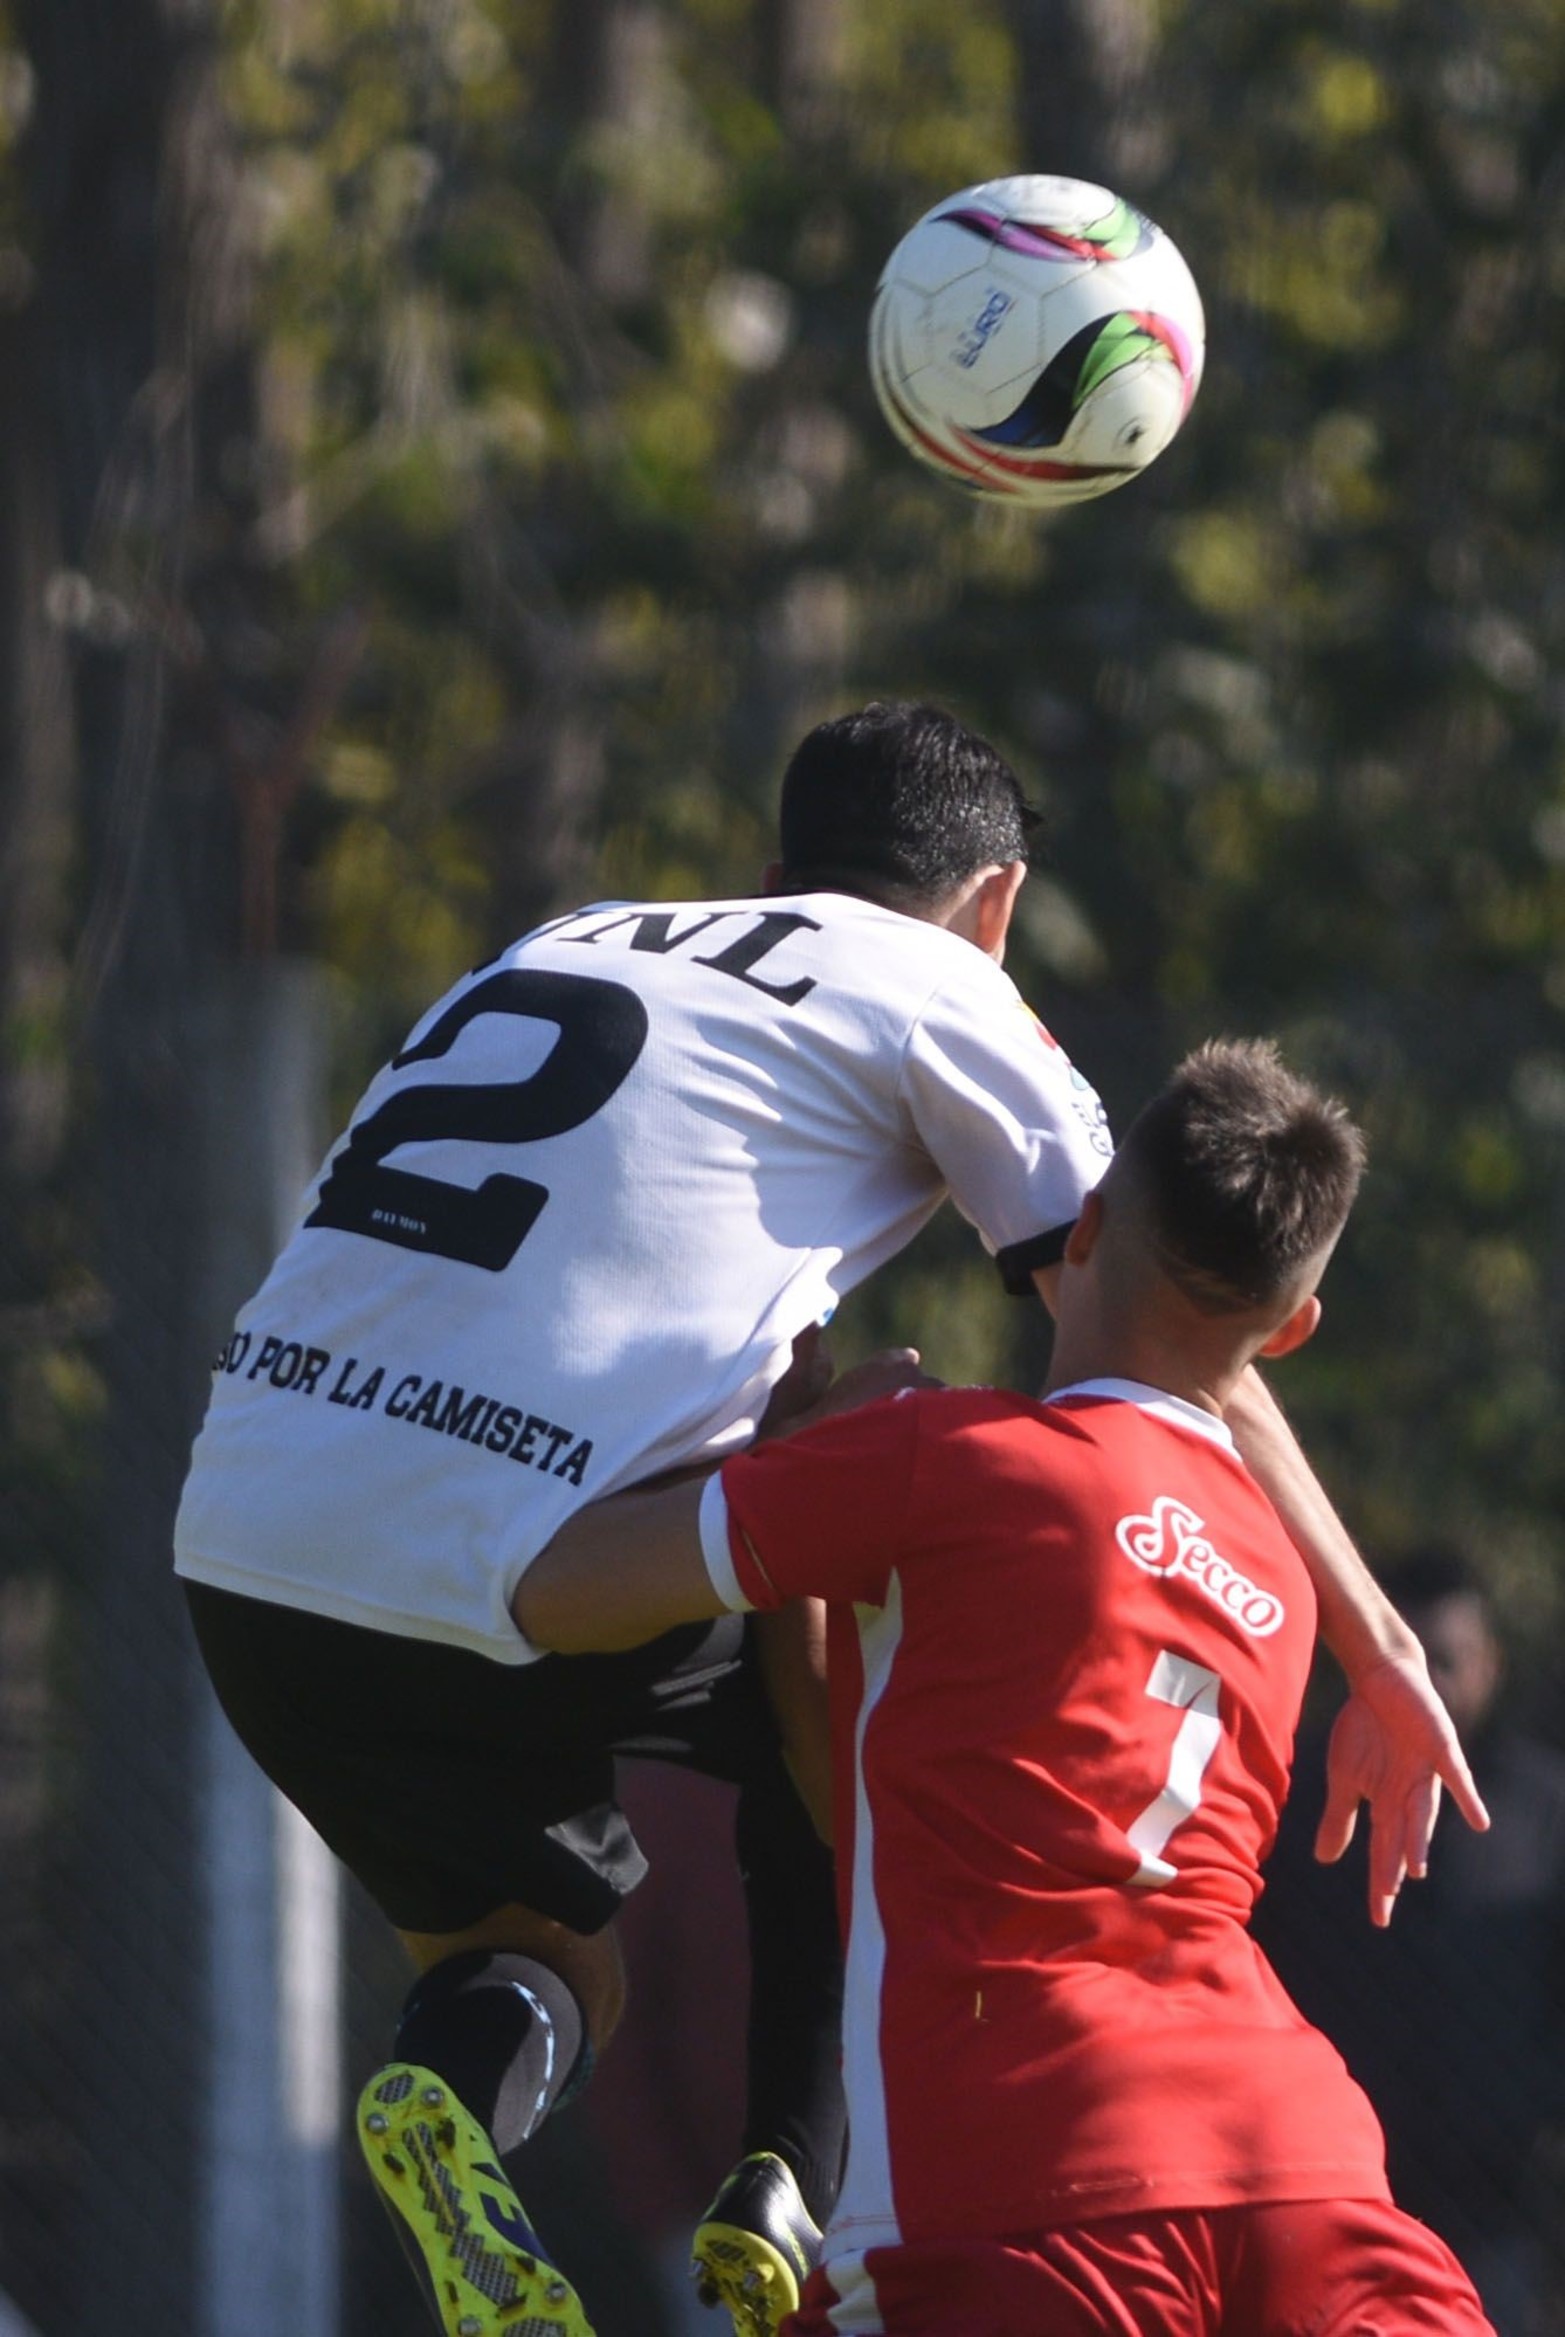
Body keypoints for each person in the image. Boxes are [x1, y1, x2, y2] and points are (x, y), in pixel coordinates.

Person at [174, 703, 1476, 2337]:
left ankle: (459, 2086)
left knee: (545, 1961)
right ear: (995, 905)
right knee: (826, 1690)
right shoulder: (946, 991)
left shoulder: (581, 933)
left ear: (776, 873)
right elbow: (1170, 1326)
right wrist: (1370, 1632)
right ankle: (788, 2168)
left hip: (249, 1533)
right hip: (1239, 2136)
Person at [514, 1039, 1495, 2336]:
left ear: (1081, 1224)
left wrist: (791, 1463)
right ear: (1292, 1331)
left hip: (1030, 2161)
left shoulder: (939, 1459)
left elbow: (557, 1588)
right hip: (1304, 2162)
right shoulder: (1282, 1574)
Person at [1255, 1551, 1565, 2337]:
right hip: (1324, 2196)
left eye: (1452, 1663)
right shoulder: (1297, 1800)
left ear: (1492, 1663)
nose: (1433, 1687)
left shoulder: (1543, 1810)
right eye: (1412, 1659)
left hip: (1493, 2210)